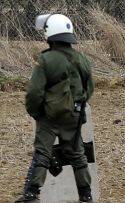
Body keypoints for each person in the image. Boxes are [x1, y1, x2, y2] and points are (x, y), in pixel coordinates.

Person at [16, 14, 94, 203]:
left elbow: (34, 93)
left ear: (50, 34)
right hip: (74, 116)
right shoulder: (81, 58)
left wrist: (36, 113)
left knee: (42, 153)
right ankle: (86, 196)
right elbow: (89, 88)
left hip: (49, 117)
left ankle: (31, 195)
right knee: (78, 155)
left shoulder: (45, 60)